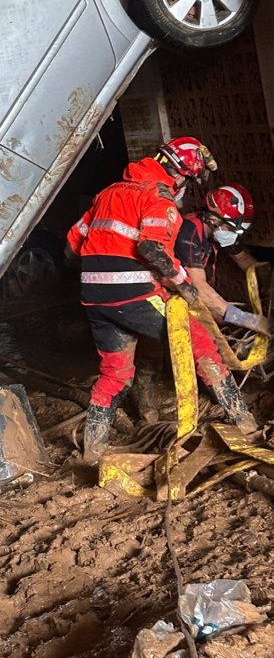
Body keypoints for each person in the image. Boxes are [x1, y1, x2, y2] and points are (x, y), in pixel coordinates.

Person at [66, 136, 257, 465]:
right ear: (181, 175)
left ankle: (92, 451)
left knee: (115, 373)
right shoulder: (159, 198)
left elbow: (70, 248)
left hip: (93, 296)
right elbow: (151, 249)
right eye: (188, 181)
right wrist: (184, 286)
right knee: (201, 343)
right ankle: (245, 423)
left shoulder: (108, 193)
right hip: (135, 290)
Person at [175, 183, 270, 335]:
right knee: (210, 343)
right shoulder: (189, 232)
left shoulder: (218, 230)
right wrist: (251, 321)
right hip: (172, 296)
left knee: (221, 320)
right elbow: (200, 289)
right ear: (213, 219)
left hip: (192, 294)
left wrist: (269, 281)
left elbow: (243, 260)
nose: (233, 235)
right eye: (231, 230)